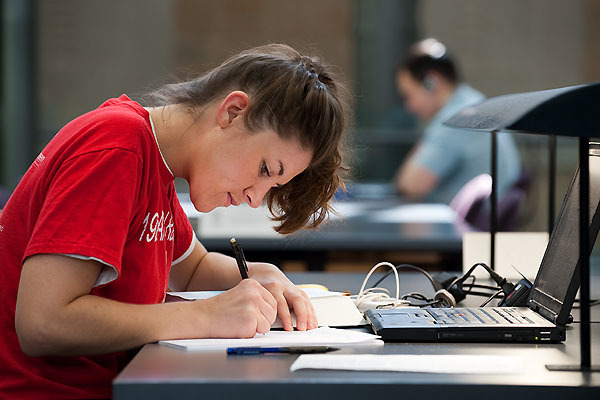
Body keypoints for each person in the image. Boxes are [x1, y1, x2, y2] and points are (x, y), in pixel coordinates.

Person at [0, 44, 349, 399]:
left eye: (272, 185)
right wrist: (205, 316)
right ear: (233, 112)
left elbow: (193, 268)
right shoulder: (118, 148)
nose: (255, 198)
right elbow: (42, 322)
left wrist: (264, 274)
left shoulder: (155, 163)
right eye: (264, 170)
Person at [393, 38, 521, 204]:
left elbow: (409, 186)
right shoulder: (471, 102)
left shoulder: (456, 119)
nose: (409, 107)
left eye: (409, 95)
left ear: (430, 84)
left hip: (465, 228)